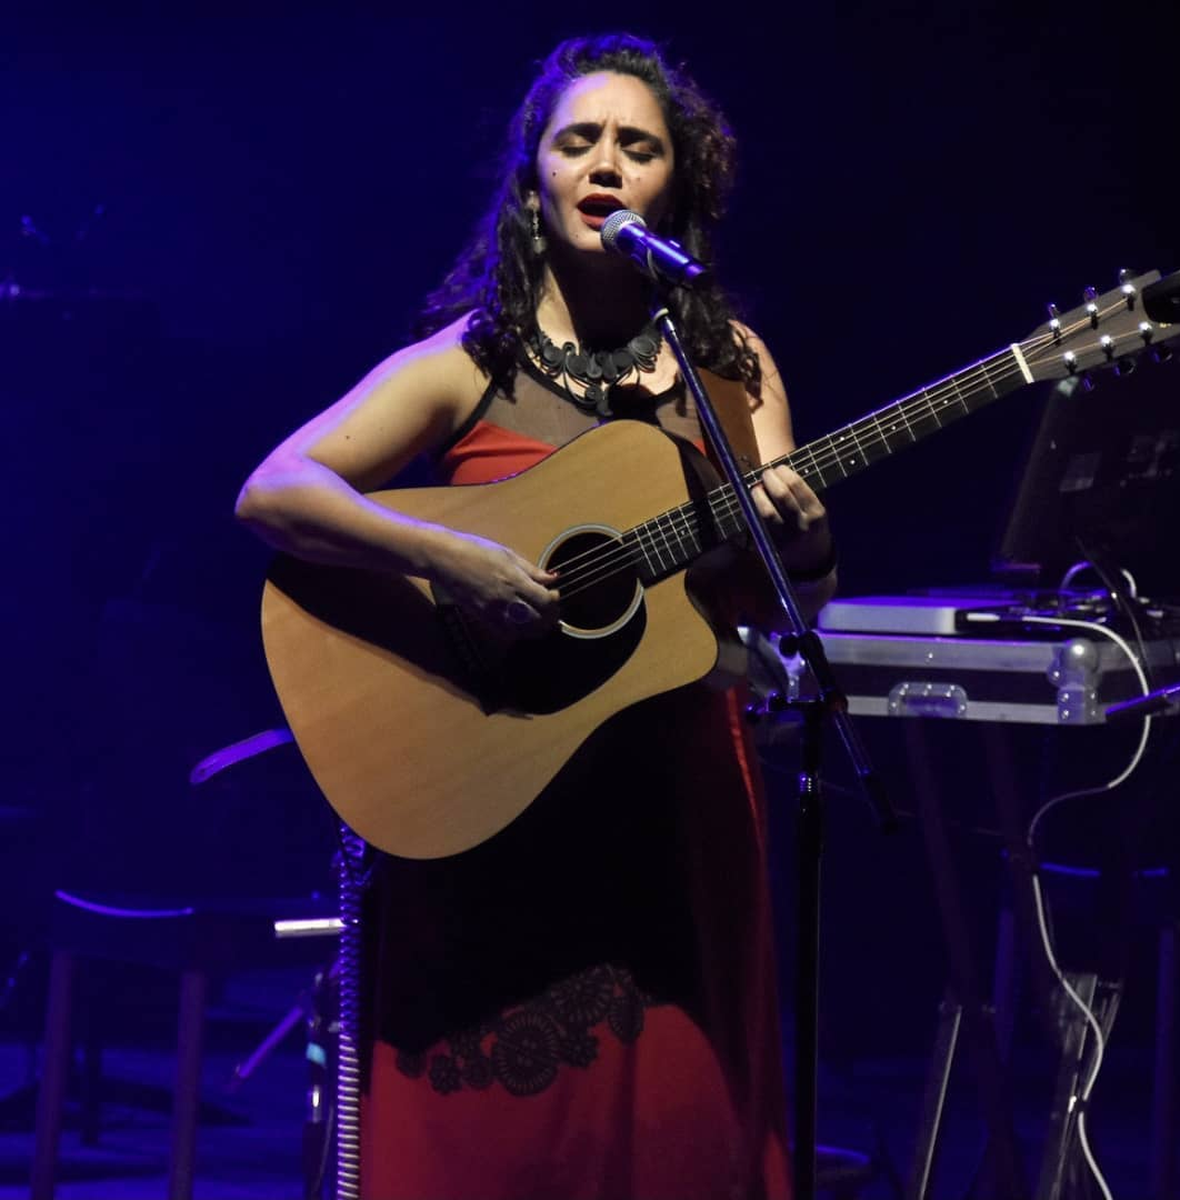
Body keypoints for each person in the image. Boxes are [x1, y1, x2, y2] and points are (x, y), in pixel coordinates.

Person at [236, 31, 836, 1200]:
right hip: (496, 799)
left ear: (679, 184)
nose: (607, 164)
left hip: (677, 805)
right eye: (580, 140)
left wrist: (806, 544)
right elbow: (277, 489)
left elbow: (781, 606)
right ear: (537, 176)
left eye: (638, 146)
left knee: (674, 1141)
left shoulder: (737, 368)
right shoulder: (472, 358)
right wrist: (447, 557)